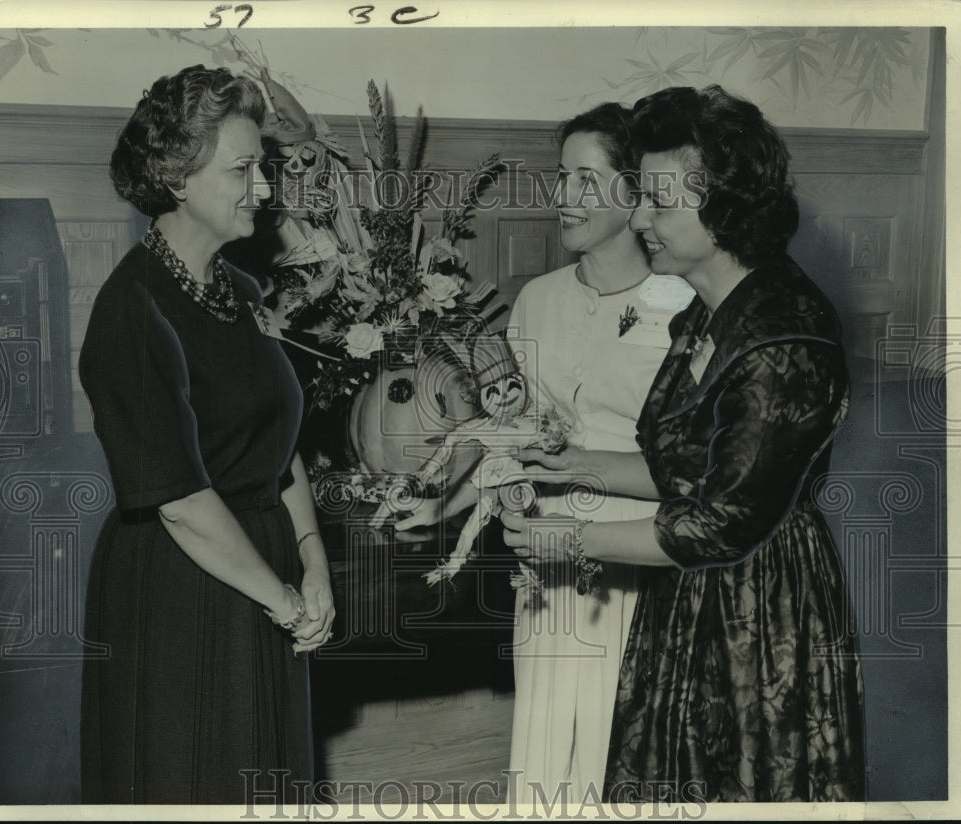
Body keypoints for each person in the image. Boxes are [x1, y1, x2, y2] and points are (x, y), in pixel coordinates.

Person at [501, 85, 866, 803]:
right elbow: (682, 471)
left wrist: (567, 541)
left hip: (758, 614)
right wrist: (575, 465)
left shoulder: (783, 334)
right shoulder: (709, 310)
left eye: (658, 203)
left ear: (723, 207)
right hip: (690, 597)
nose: (639, 217)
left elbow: (719, 521)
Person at [395, 103, 693, 802]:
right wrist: (444, 502)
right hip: (543, 565)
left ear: (635, 192)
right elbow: (514, 439)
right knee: (548, 751)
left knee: (622, 755)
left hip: (640, 559)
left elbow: (699, 471)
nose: (565, 198)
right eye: (563, 178)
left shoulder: (684, 304)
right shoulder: (537, 299)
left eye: (588, 181)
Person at [78, 65, 335, 804]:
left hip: (262, 572)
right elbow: (182, 500)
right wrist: (283, 599)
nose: (263, 188)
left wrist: (313, 562)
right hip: (182, 589)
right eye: (244, 169)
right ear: (177, 176)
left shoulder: (243, 291)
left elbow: (280, 450)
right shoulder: (133, 307)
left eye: (265, 166)